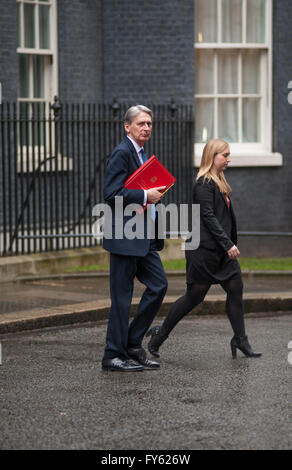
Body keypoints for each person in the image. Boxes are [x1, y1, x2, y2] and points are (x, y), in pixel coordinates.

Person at [146, 138, 262, 359]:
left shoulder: (219, 180)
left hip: (220, 252)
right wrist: (228, 244)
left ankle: (240, 339)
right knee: (195, 296)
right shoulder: (203, 183)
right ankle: (160, 334)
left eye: (228, 155)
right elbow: (208, 217)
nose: (228, 159)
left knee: (236, 288)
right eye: (224, 155)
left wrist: (227, 244)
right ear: (212, 156)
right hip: (204, 250)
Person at [101, 105, 168, 372]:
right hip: (125, 238)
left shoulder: (141, 155)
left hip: (143, 238)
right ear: (127, 126)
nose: (146, 128)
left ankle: (131, 344)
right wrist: (144, 196)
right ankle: (112, 355)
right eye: (141, 123)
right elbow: (111, 194)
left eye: (149, 123)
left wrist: (153, 195)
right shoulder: (121, 153)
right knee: (121, 298)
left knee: (159, 285)